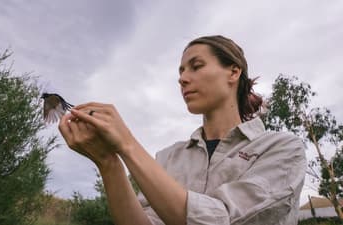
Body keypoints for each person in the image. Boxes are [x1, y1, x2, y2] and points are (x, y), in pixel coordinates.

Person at [58, 35, 306, 225]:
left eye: (195, 66)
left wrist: (128, 144)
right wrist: (108, 162)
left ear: (233, 72)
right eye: (181, 71)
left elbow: (221, 219)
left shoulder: (282, 149)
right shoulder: (167, 158)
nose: (183, 78)